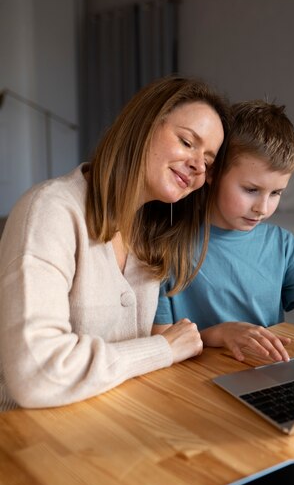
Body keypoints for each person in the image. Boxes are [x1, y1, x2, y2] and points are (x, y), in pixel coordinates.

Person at [0, 75, 231, 411]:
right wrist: (161, 348)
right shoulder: (50, 211)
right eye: (186, 141)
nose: (198, 165)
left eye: (208, 162)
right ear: (144, 125)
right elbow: (36, 374)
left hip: (113, 419)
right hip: (28, 437)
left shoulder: (150, 234)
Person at [153, 100, 294, 362]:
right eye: (251, 190)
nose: (262, 207)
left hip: (266, 373)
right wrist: (220, 333)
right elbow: (163, 342)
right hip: (193, 378)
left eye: (276, 193)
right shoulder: (166, 246)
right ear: (212, 171)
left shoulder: (282, 245)